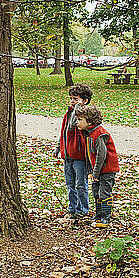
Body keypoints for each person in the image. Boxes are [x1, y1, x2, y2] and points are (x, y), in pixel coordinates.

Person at [75, 105, 120, 228]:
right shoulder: (89, 133)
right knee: (96, 191)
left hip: (106, 169)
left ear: (89, 121)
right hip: (97, 170)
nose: (76, 122)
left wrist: (95, 172)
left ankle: (106, 216)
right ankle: (99, 214)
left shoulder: (99, 134)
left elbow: (102, 154)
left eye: (80, 120)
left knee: (104, 192)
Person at [52, 84, 92, 220]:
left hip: (79, 156)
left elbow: (78, 128)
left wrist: (77, 108)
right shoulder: (68, 114)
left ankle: (82, 209)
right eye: (71, 98)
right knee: (70, 184)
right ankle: (73, 207)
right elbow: (63, 132)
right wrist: (58, 147)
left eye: (75, 99)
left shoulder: (83, 116)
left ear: (84, 101)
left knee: (80, 184)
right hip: (67, 155)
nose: (72, 101)